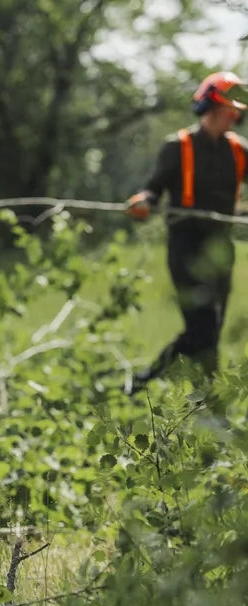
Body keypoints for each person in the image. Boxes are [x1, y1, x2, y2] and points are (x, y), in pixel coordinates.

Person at [124, 70, 248, 391]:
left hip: (221, 249)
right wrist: (143, 201)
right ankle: (146, 380)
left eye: (235, 113)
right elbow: (153, 190)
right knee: (202, 327)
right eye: (227, 111)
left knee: (212, 331)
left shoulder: (238, 151)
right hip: (186, 247)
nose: (232, 118)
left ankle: (202, 402)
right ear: (210, 108)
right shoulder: (177, 147)